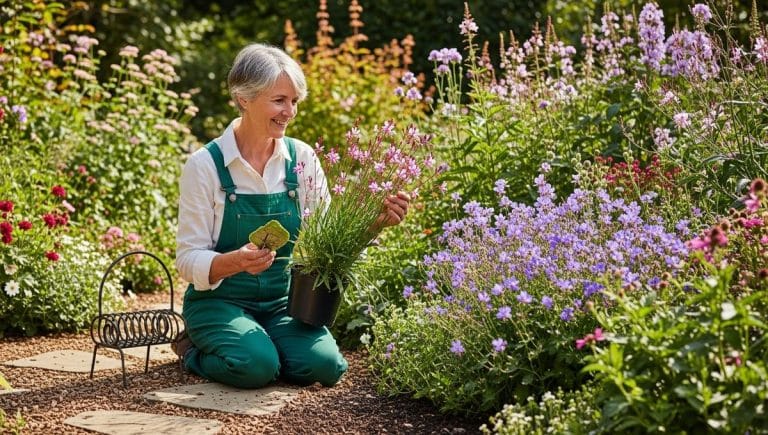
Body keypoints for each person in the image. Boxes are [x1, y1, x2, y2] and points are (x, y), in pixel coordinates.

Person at [174, 43, 410, 389]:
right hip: (219, 302)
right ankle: (192, 350)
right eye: (279, 100)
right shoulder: (205, 165)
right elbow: (187, 259)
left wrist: (377, 223)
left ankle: (265, 349)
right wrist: (236, 261)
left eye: (294, 101)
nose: (290, 111)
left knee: (325, 367)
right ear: (244, 98)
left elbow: (327, 241)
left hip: (283, 302)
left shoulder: (301, 158)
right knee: (255, 366)